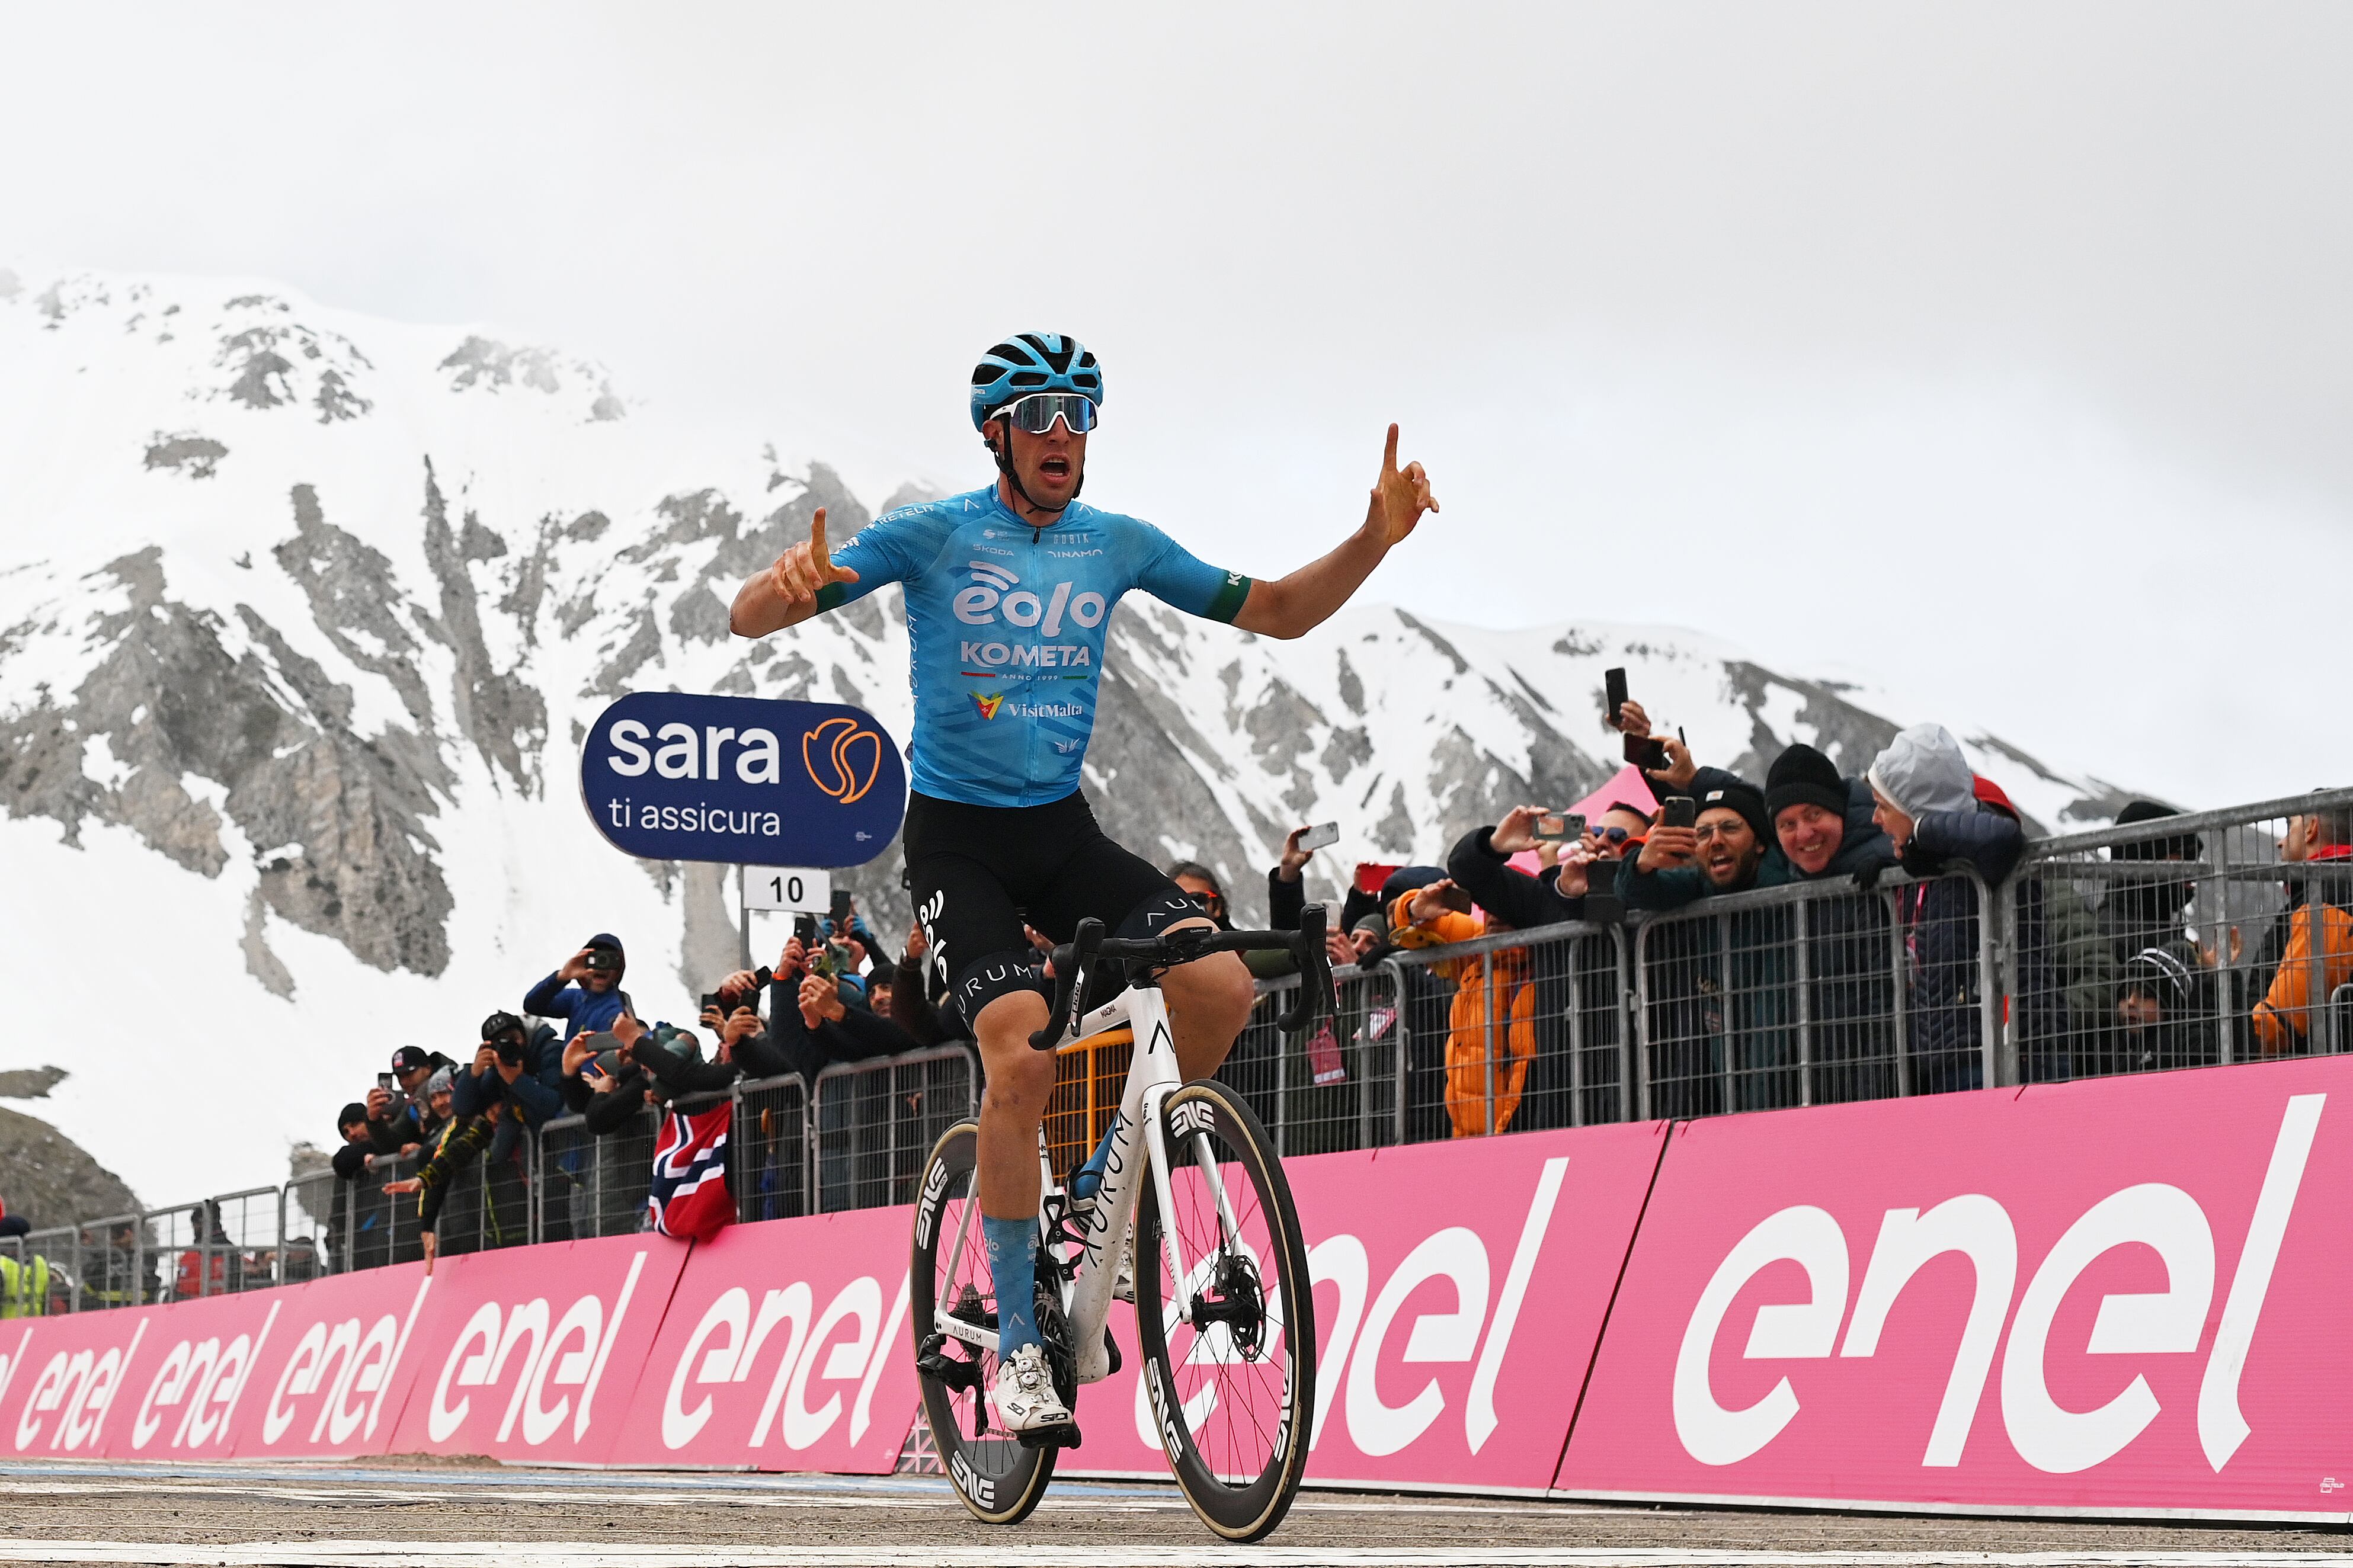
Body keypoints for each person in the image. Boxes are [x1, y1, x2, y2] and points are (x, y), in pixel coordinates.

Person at [729, 332, 1438, 1436]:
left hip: (1062, 832)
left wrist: (1374, 539)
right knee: (1022, 1058)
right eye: (1041, 415)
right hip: (957, 841)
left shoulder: (1117, 544)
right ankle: (1019, 1347)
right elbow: (746, 618)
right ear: (997, 433)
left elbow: (1282, 612)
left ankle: (1092, 1204)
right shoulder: (935, 533)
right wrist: (782, 594)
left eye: (1079, 416)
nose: (1064, 436)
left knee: (1219, 991)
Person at [1868, 724, 2025, 1094]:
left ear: (1913, 808)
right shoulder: (1936, 865)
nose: (1876, 820)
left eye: (1883, 806)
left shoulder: (1976, 848)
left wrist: (1922, 831)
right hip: (1954, 1060)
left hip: (1995, 1059)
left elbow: (2003, 839)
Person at [2250, 802, 2353, 1055]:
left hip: (2315, 1078)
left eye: (2289, 826)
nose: (2280, 842)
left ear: (2311, 829)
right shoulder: (2331, 892)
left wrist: (2229, 1045)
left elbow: (2277, 1027)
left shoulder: (2328, 898)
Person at [523, 934, 633, 1044]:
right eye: (594, 959)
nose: (602, 967)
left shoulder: (617, 1012)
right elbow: (532, 1005)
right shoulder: (577, 998)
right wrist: (561, 977)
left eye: (611, 961)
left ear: (619, 969)